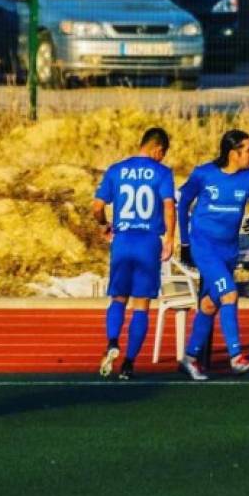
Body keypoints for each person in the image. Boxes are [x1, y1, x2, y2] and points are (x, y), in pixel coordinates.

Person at [177, 129, 249, 380]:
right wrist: (185, 243)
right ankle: (236, 356)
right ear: (233, 153)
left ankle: (190, 357)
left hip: (229, 250)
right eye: (248, 150)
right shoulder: (204, 174)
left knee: (209, 305)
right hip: (204, 246)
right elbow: (183, 202)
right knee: (229, 294)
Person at [93, 127, 176, 380]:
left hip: (123, 241)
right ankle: (129, 363)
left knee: (118, 298)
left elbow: (97, 207)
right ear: (158, 150)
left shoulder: (116, 170)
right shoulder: (162, 172)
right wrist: (170, 238)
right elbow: (169, 207)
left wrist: (104, 225)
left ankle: (112, 341)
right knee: (141, 305)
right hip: (148, 242)